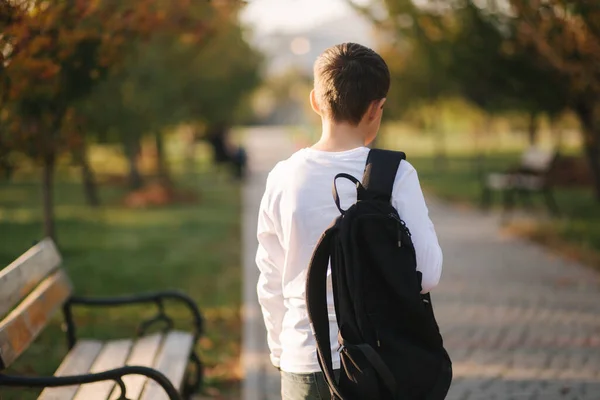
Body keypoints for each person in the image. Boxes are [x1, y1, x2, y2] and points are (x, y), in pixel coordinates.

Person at [255, 43, 443, 400]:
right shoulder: (395, 174)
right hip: (380, 359)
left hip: (303, 361)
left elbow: (270, 280)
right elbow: (428, 274)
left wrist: (281, 352)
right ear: (377, 108)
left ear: (315, 101)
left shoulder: (282, 176)